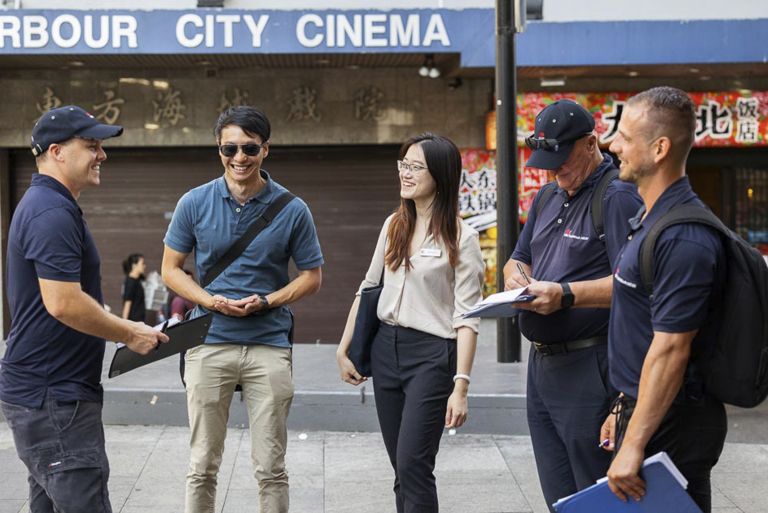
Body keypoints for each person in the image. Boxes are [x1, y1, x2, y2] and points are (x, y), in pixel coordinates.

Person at [0, 105, 168, 513]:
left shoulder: (50, 205)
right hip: (53, 397)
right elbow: (62, 303)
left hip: (48, 394)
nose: (102, 155)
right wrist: (130, 332)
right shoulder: (50, 211)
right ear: (57, 151)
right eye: (91, 145)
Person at [161, 105, 323, 513]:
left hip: (268, 344)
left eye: (249, 148)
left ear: (265, 149)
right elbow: (170, 269)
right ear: (218, 149)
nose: (238, 158)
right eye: (228, 148)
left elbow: (311, 277)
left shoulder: (292, 208)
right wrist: (207, 300)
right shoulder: (194, 202)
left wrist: (267, 300)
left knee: (271, 467)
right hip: (208, 341)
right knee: (201, 465)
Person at [502, 99, 643, 511]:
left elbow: (636, 283)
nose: (556, 170)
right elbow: (518, 256)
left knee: (597, 494)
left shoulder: (617, 197)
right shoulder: (547, 195)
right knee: (560, 496)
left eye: (563, 160)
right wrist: (516, 277)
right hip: (542, 369)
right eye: (549, 162)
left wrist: (565, 294)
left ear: (590, 143)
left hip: (590, 367)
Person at [336, 133, 485, 513]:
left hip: (432, 357)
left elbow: (467, 317)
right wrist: (344, 347)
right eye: (403, 164)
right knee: (400, 468)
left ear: (442, 174)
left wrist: (461, 386)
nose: (405, 173)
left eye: (415, 166)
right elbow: (369, 288)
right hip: (386, 349)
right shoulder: (393, 225)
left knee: (414, 465)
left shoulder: (462, 238)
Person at [602, 86, 727, 512]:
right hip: (647, 410)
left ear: (659, 149)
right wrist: (623, 407)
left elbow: (671, 348)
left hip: (672, 424)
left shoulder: (682, 237)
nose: (611, 144)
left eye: (623, 135)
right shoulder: (650, 220)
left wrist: (634, 443)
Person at [121, 253, 147, 322]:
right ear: (134, 265)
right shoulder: (130, 282)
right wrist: (125, 323)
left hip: (139, 320)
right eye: (142, 263)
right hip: (134, 321)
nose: (144, 266)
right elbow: (127, 303)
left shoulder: (137, 280)